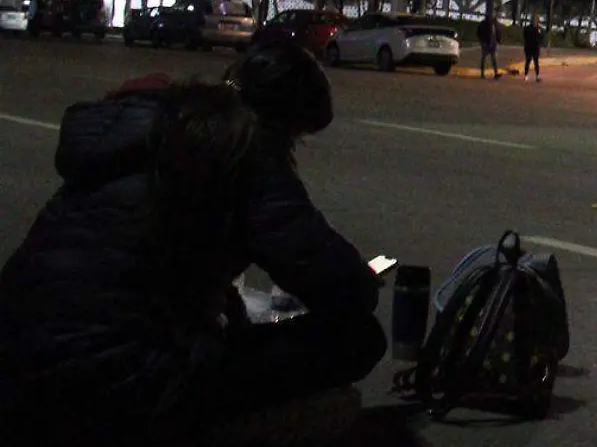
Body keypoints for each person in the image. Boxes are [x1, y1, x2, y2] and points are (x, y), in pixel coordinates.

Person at [0, 44, 385, 445]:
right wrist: (362, 278)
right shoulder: (245, 148)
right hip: (115, 382)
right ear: (282, 121)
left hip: (16, 358)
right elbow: (339, 284)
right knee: (358, 339)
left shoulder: (155, 132)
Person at [477, 11, 502, 80]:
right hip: (486, 43)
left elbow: (498, 32)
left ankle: (496, 73)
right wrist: (482, 41)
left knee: (494, 59)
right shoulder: (483, 23)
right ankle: (482, 73)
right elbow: (479, 32)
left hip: (493, 44)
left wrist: (498, 41)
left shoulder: (496, 23)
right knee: (484, 58)